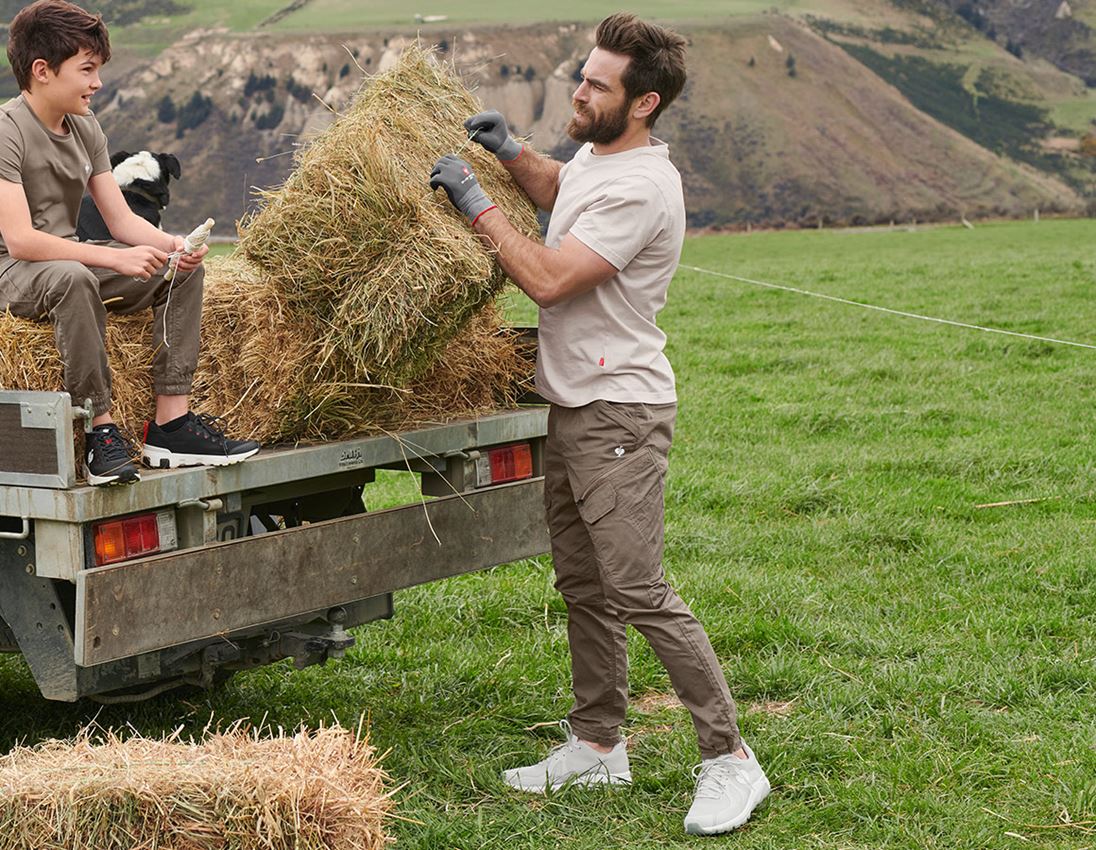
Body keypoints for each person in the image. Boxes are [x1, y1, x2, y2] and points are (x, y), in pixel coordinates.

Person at [430, 11, 769, 837]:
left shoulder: (644, 186)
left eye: (596, 85)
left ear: (644, 102)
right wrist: (513, 155)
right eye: (580, 75)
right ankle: (595, 745)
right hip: (574, 404)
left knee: (639, 589)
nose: (577, 91)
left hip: (620, 410)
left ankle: (731, 762)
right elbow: (563, 191)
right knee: (583, 584)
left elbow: (548, 277)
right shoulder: (599, 158)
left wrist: (477, 203)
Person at [0, 0, 258, 486]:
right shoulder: (5, 130)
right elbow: (20, 241)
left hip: (66, 259)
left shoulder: (86, 127)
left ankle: (171, 424)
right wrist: (104, 256)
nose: (98, 82)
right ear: (42, 71)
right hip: (13, 272)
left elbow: (120, 220)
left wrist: (174, 245)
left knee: (179, 270)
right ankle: (100, 430)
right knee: (74, 276)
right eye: (87, 69)